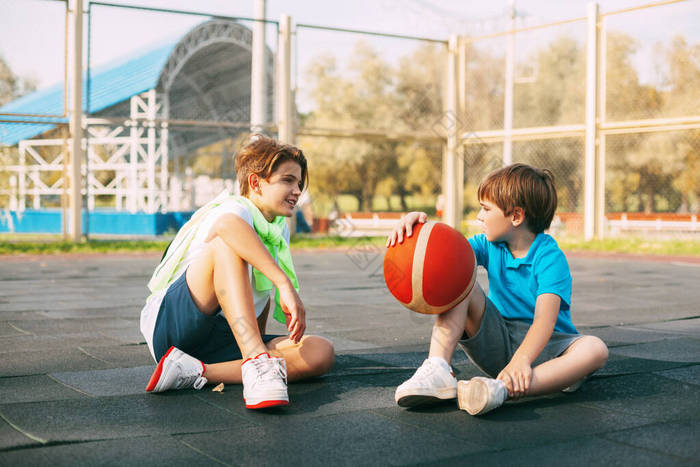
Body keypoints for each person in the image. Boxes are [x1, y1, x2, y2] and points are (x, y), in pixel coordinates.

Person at [386, 163, 608, 415]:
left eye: (486, 209)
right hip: (499, 339)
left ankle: (500, 389)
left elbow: (544, 323)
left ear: (515, 216)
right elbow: (446, 255)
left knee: (595, 349)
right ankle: (438, 368)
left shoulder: (549, 257)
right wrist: (418, 227)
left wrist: (522, 360)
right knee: (462, 279)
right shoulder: (487, 245)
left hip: (547, 350)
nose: (479, 216)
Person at [140, 135, 334, 409]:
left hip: (222, 342)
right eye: (287, 180)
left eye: (299, 183)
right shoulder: (235, 210)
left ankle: (194, 372)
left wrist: (256, 339)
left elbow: (259, 293)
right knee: (226, 244)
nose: (297, 190)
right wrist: (283, 283)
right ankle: (255, 361)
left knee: (320, 352)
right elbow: (226, 227)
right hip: (173, 328)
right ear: (255, 183)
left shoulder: (276, 228)